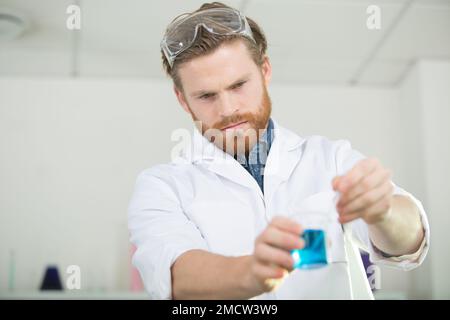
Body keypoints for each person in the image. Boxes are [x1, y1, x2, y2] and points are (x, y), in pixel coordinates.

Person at [128, 2, 429, 300]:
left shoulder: (330, 159)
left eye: (238, 85)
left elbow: (408, 240)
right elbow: (177, 275)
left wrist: (384, 213)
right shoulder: (162, 186)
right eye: (206, 96)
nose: (228, 109)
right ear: (182, 100)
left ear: (265, 71)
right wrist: (252, 273)